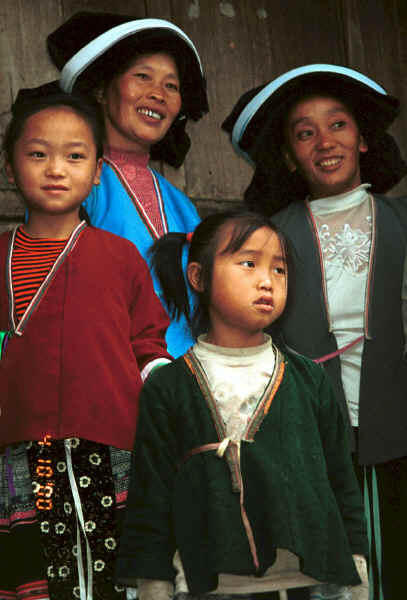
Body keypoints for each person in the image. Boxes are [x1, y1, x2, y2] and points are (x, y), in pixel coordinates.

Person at [222, 64, 407, 600]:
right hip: (308, 430)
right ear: (287, 156)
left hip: (398, 424)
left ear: (365, 139)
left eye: (339, 125)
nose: (325, 142)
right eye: (305, 133)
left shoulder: (401, 220)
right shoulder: (270, 235)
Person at [116, 211, 369, 600]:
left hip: (310, 581)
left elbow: (341, 481)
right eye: (248, 264)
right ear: (198, 277)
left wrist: (356, 568)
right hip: (211, 584)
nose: (267, 281)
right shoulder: (169, 387)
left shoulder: (309, 379)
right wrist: (154, 584)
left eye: (280, 270)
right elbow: (151, 496)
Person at [0, 91, 172, 600]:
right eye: (37, 154)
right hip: (23, 451)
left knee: (110, 580)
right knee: (40, 582)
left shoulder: (119, 256)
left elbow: (149, 341)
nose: (56, 169)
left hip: (111, 446)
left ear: (97, 171)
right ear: (11, 169)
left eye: (74, 156)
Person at [46, 11, 209, 358]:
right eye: (142, 77)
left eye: (171, 85)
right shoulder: (71, 185)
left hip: (189, 383)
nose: (158, 94)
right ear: (102, 90)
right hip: (107, 372)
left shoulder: (183, 205)